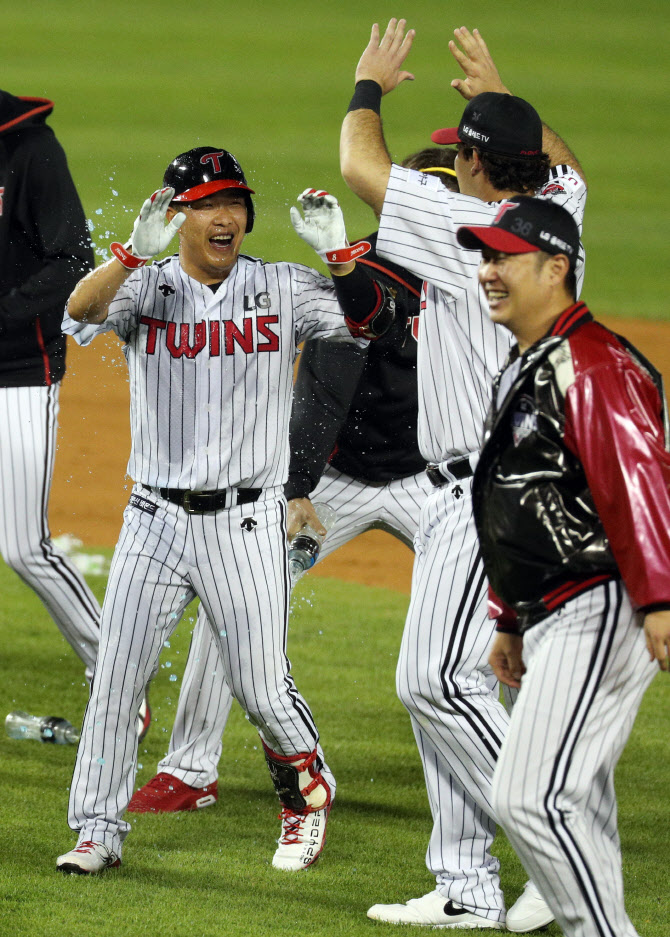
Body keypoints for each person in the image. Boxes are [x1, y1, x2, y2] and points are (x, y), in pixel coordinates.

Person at [55, 147, 390, 876]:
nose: (226, 216)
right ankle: (96, 829)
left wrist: (338, 257)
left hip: (244, 522)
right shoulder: (148, 289)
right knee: (117, 677)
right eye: (208, 203)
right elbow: (78, 312)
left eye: (234, 201)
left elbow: (371, 322)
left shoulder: (280, 287)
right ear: (178, 216)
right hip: (153, 519)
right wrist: (125, 258)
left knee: (263, 689)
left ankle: (307, 793)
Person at [339, 21, 587, 930]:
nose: (455, 165)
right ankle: (465, 882)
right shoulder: (563, 216)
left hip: (492, 483)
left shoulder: (463, 229)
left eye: (464, 152)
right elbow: (563, 162)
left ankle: (556, 832)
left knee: (436, 681)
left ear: (479, 168)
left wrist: (367, 89)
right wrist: (502, 93)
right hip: (513, 480)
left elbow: (361, 165)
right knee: (459, 680)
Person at [125, 147, 459, 813]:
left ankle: (496, 769)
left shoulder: (482, 273)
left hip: (430, 482)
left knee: (487, 609)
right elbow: (324, 387)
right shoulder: (360, 274)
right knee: (238, 599)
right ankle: (191, 768)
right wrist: (297, 483)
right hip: (331, 478)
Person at [456, 196, 670, 937]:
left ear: (556, 267)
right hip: (556, 608)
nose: (487, 271)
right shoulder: (531, 362)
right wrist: (509, 617)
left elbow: (636, 479)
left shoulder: (595, 362)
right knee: (577, 798)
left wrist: (660, 598)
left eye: (503, 257)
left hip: (603, 599)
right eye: (483, 256)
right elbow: (515, 503)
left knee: (529, 794)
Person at [0, 90, 103, 684]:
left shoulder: (31, 149)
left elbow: (71, 262)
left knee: (21, 547)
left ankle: (113, 669)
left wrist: (6, 311)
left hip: (17, 369)